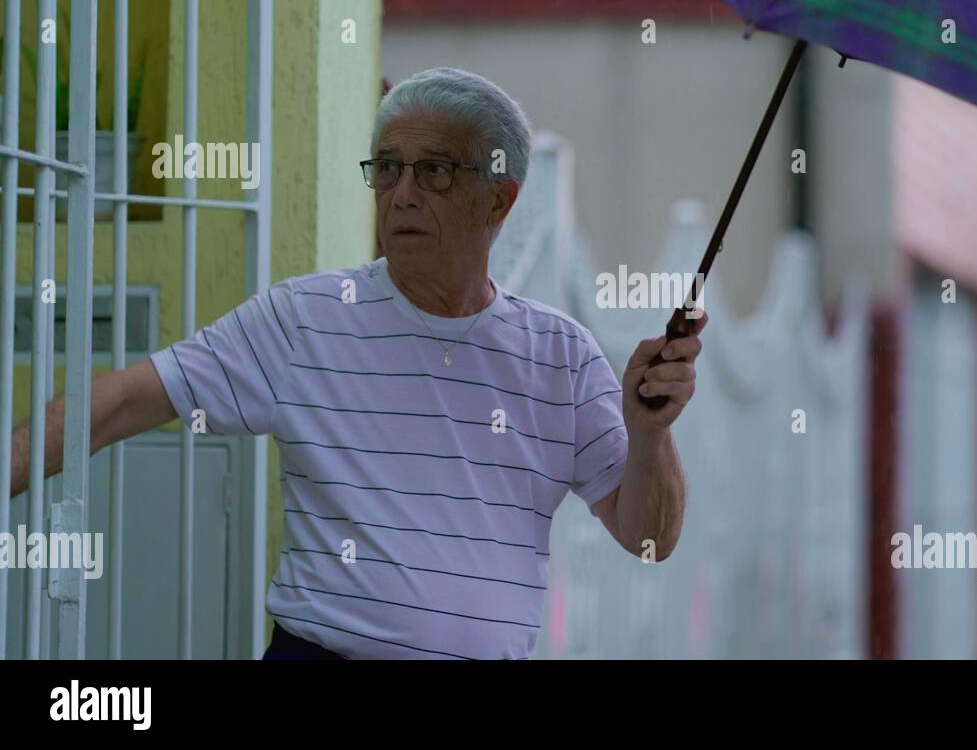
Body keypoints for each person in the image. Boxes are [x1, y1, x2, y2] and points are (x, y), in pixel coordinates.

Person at [9, 67, 706, 659]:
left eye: (433, 170)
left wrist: (649, 434)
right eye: (389, 168)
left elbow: (649, 537)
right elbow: (122, 401)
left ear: (499, 196)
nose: (402, 193)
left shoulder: (562, 355)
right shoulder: (305, 317)